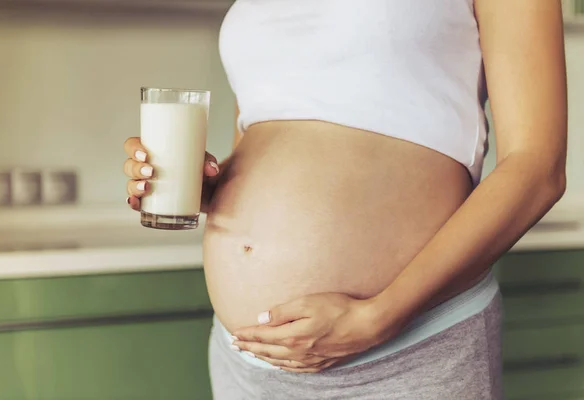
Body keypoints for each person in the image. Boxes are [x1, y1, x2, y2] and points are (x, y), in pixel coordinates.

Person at [123, 0, 568, 398]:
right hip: (247, 361)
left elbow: (537, 167)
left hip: (405, 351)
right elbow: (258, 132)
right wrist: (207, 188)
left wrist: (380, 317)